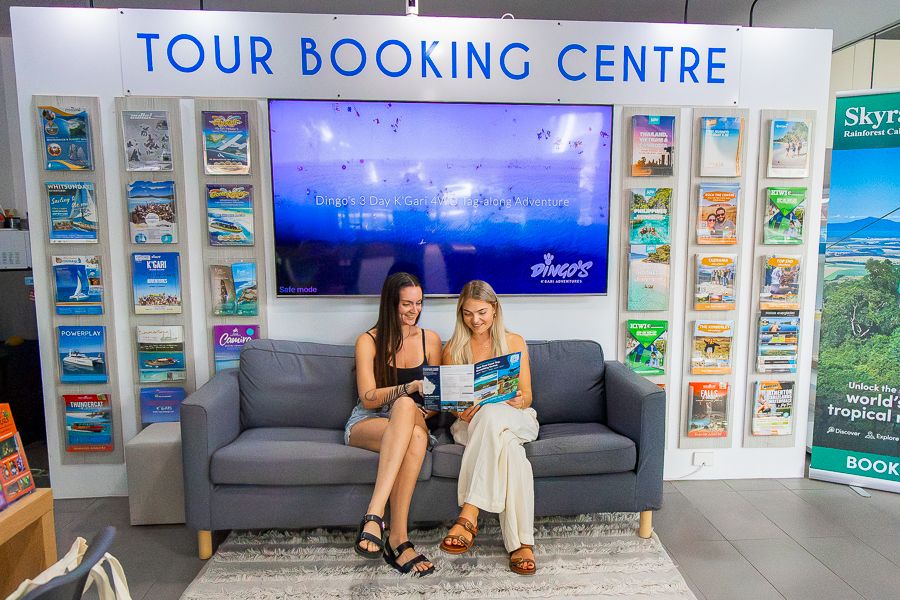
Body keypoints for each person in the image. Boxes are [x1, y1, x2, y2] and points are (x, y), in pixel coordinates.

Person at [439, 280, 539, 575]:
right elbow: (451, 403)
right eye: (468, 314)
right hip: (470, 425)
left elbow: (528, 397)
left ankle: (469, 512)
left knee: (494, 413)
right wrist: (461, 409)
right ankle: (521, 544)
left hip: (515, 418)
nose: (475, 320)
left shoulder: (514, 341)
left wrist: (517, 400)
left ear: (494, 309)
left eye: (481, 312)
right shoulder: (454, 349)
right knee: (509, 451)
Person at [345, 272, 441, 577]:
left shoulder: (431, 340)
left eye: (419, 303)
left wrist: (422, 408)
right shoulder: (368, 341)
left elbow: (436, 403)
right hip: (369, 420)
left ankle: (374, 517)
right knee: (409, 427)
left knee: (408, 413)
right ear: (390, 304)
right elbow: (369, 397)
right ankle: (399, 540)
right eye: (406, 304)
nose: (414, 310)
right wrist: (409, 388)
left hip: (417, 419)